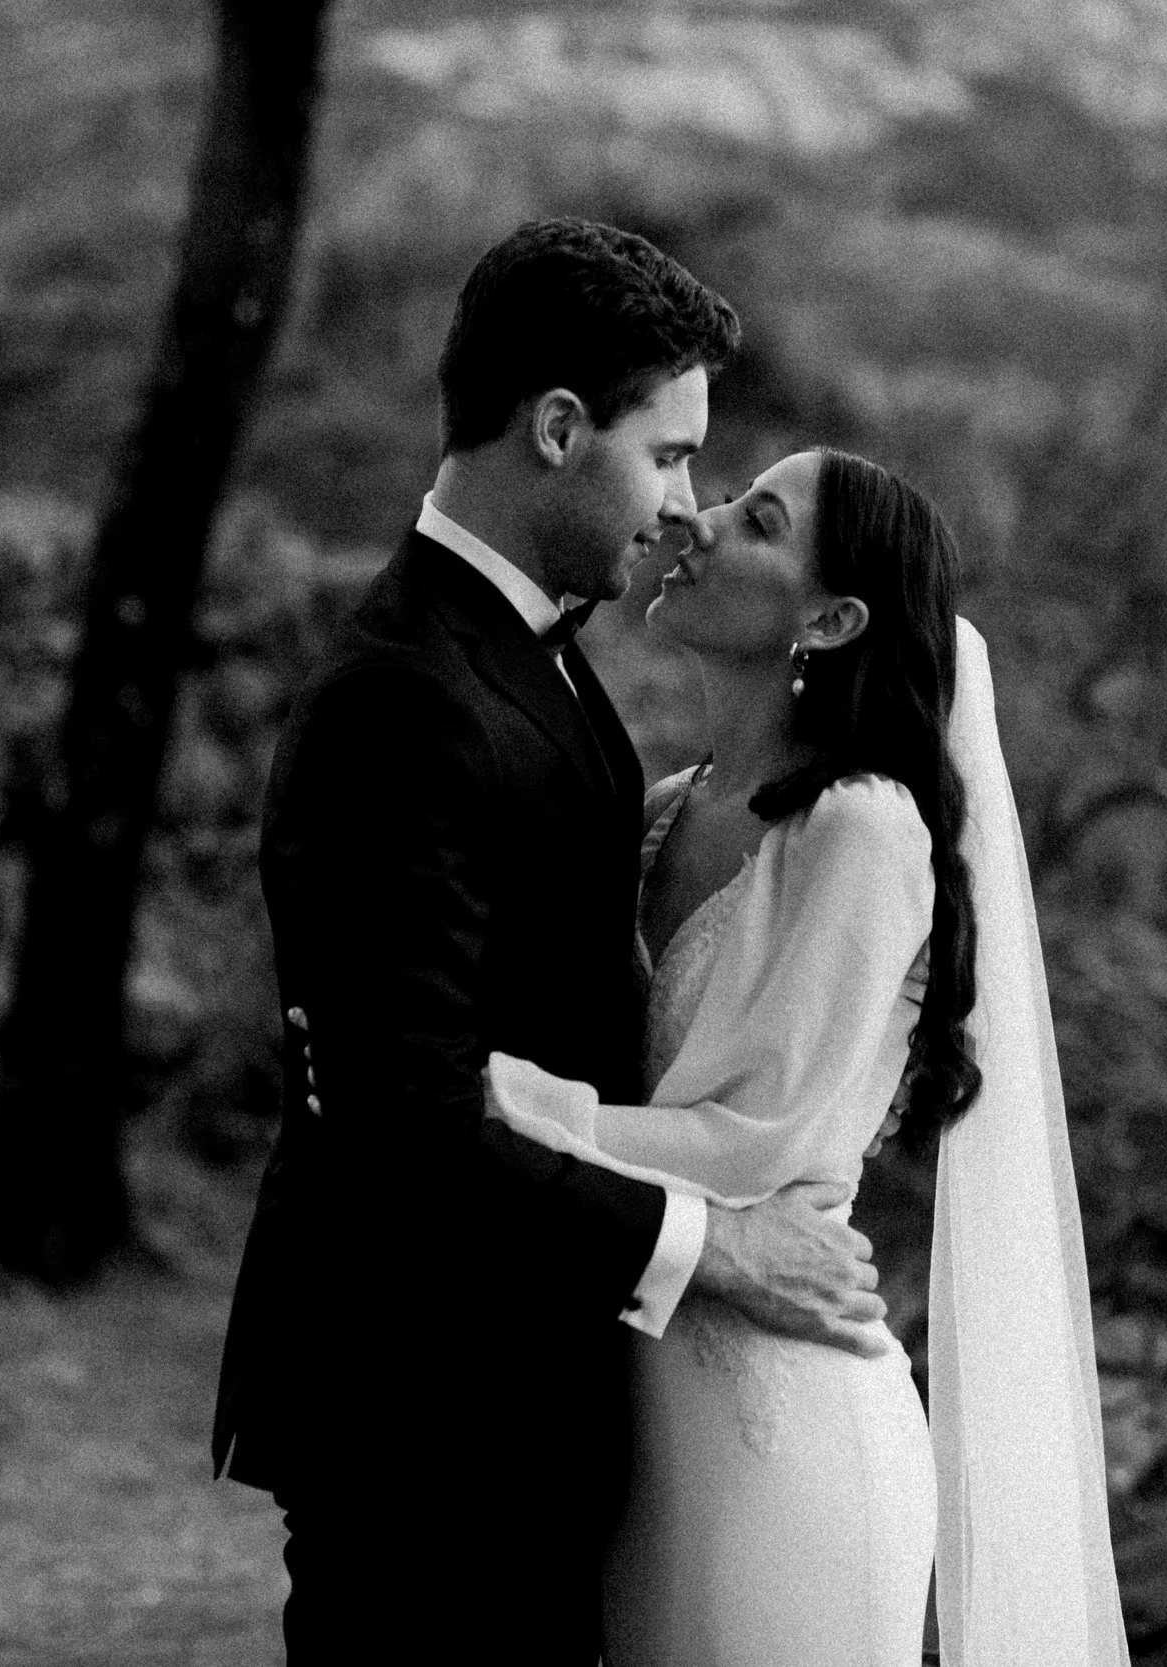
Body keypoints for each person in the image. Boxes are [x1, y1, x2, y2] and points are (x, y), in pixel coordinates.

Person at [210, 219, 893, 1665]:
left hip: (534, 1389)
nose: (683, 504)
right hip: (422, 1411)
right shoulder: (402, 696)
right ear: (560, 428)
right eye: (669, 455)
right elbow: (403, 1112)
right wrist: (716, 1246)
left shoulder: (542, 660)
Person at [481, 448, 1132, 1664]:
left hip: (780, 1426)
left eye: (754, 521)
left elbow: (755, 1139)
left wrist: (509, 1099)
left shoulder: (864, 825)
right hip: (642, 1400)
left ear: (828, 619)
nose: (697, 522)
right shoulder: (668, 805)